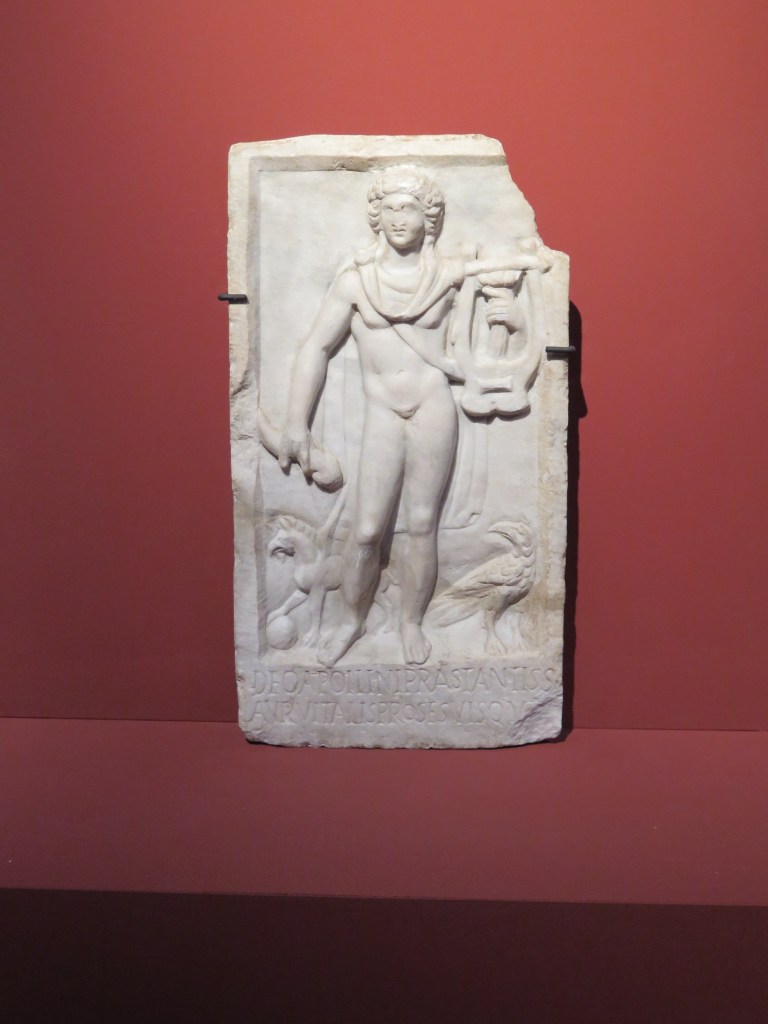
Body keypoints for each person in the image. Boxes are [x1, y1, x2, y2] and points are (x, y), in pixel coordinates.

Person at [279, 166, 544, 666]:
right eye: (391, 208)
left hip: (432, 406)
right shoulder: (356, 282)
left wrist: (512, 313)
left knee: (422, 524)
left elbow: (508, 310)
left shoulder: (450, 275)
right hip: (382, 411)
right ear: (377, 217)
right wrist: (296, 422)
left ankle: (411, 623)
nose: (400, 218)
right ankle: (350, 621)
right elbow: (315, 347)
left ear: (430, 218)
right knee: (366, 529)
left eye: (411, 209)